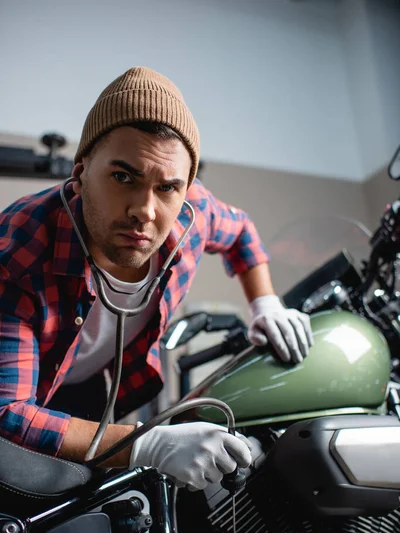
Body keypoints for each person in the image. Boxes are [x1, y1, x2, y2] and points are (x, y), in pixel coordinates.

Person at [0, 67, 312, 491]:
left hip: (83, 378)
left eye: (167, 187)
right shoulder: (18, 246)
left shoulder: (194, 212)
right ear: (80, 172)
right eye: (123, 177)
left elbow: (241, 231)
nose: (144, 210)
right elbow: (10, 411)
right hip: (22, 392)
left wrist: (266, 303)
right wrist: (148, 444)